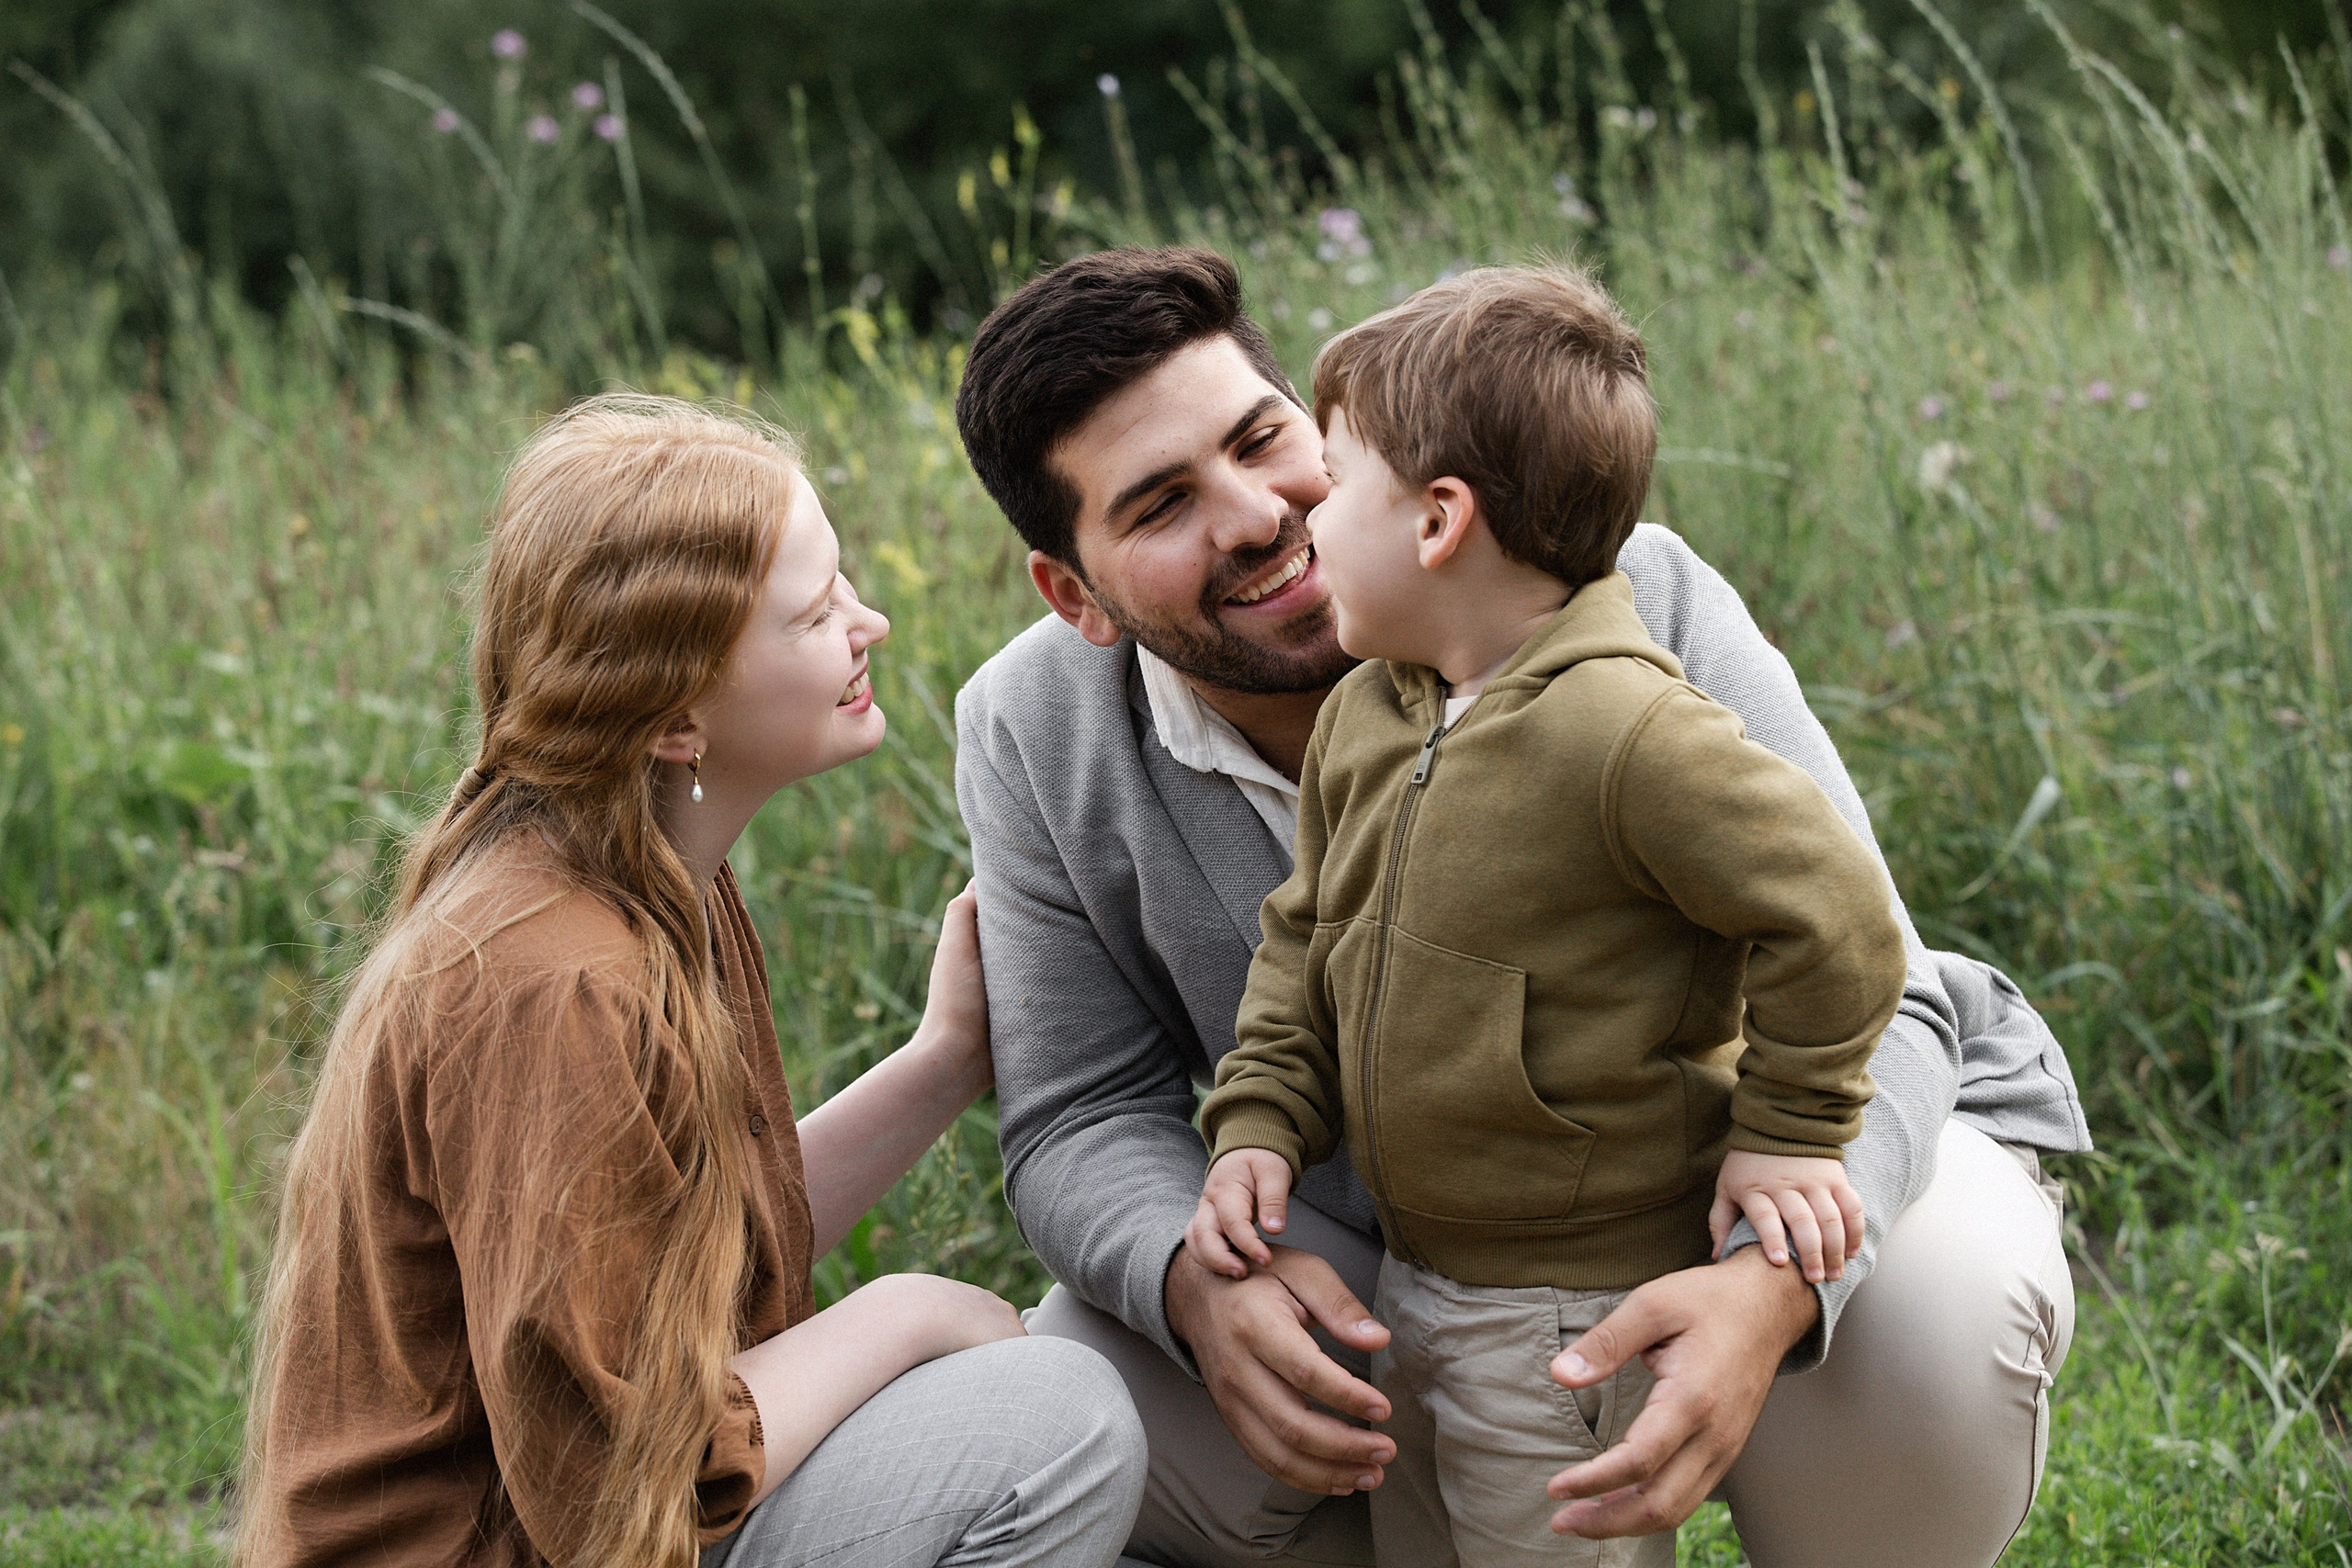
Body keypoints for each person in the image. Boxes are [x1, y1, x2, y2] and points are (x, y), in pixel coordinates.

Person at [951, 247, 2091, 1568]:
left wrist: (1772, 1284)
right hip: (1386, 1231)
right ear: (1074, 593)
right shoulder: (1031, 725)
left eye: (1264, 439)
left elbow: (1868, 965)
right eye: (1160, 504)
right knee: (1079, 1375)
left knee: (1929, 1316)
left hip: (1729, 1158)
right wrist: (1189, 1277)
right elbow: (1079, 1106)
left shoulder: (1619, 592)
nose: (1260, 514)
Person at [237, 395, 1147, 1568]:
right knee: (1057, 1424)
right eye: (817, 613)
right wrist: (907, 1309)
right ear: (675, 714)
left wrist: (942, 1062)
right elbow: (619, 1474)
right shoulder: (550, 981)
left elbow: (698, 1255)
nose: (867, 621)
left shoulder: (647, 879)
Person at [1186, 264, 1907, 1567]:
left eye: (1335, 485)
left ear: (1437, 522)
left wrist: (1792, 1130)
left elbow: (1841, 916)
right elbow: (1305, 939)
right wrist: (1259, 1120)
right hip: (1413, 1276)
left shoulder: (1625, 728)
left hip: (1579, 1303)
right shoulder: (1373, 709)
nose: (1304, 516)